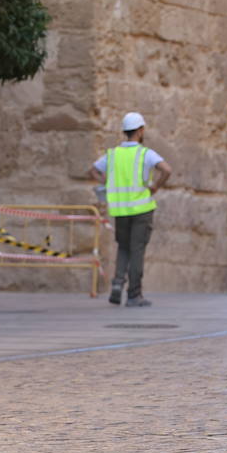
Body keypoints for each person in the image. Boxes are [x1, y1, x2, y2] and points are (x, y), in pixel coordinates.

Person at [86, 112, 171, 307]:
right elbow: (167, 170)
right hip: (142, 209)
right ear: (141, 131)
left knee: (123, 248)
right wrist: (156, 186)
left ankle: (117, 284)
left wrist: (106, 182)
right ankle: (134, 294)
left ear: (125, 131)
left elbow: (92, 170)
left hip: (120, 210)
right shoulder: (145, 154)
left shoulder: (113, 154)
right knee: (137, 250)